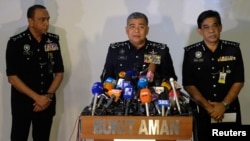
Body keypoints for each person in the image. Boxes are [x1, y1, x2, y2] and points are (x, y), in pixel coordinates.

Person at [182, 10, 244, 141]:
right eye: (206, 27)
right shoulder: (191, 53)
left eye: (214, 25)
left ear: (220, 27)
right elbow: (188, 84)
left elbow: (239, 81)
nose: (211, 30)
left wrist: (223, 105)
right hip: (201, 112)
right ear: (200, 31)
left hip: (229, 110)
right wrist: (209, 107)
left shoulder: (233, 50)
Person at [5, 5, 64, 141]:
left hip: (46, 104)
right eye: (42, 20)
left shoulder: (53, 41)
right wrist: (37, 98)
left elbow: (59, 73)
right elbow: (12, 78)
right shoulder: (16, 43)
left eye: (48, 19)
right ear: (30, 21)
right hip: (23, 104)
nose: (47, 23)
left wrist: (47, 96)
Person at [100, 12, 177, 85]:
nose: (136, 31)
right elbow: (106, 77)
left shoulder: (160, 50)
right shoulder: (115, 50)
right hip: (121, 96)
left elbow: (171, 79)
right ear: (126, 30)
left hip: (152, 97)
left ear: (147, 30)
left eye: (141, 27)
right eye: (132, 26)